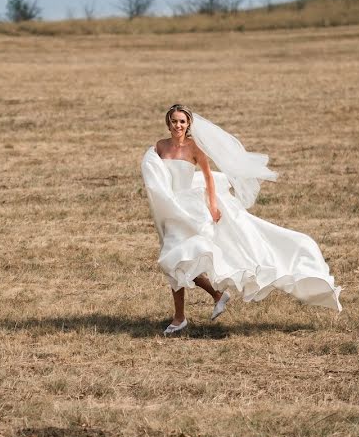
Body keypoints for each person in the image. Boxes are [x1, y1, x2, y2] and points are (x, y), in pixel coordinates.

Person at [141, 104, 341, 336]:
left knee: (175, 260)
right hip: (170, 208)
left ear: (188, 125)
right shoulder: (159, 147)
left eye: (182, 122)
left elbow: (208, 178)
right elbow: (151, 170)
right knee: (178, 261)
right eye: (174, 121)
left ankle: (180, 317)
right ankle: (212, 298)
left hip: (189, 209)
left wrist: (213, 206)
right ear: (168, 123)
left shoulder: (195, 148)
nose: (178, 126)